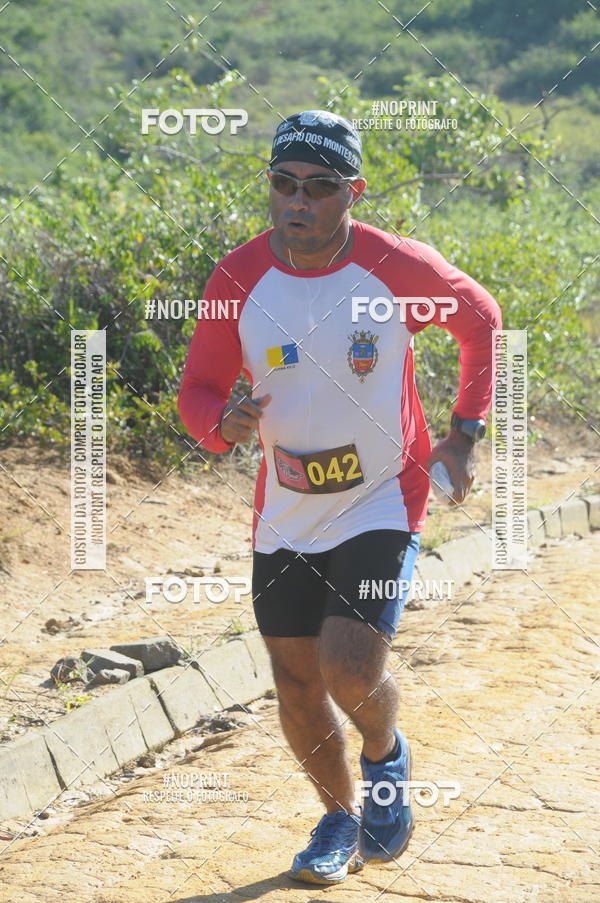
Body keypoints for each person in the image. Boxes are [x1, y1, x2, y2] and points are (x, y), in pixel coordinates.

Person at [178, 110, 501, 885]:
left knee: (348, 666)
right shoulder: (236, 277)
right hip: (286, 508)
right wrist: (220, 426)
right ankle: (337, 816)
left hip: (382, 496)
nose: (298, 201)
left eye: (319, 188)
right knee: (295, 681)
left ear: (352, 191)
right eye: (283, 185)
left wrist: (462, 434)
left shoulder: (395, 267)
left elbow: (480, 317)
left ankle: (386, 757)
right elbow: (198, 389)